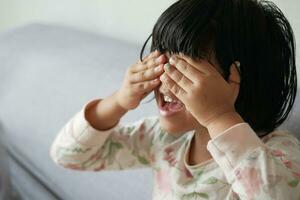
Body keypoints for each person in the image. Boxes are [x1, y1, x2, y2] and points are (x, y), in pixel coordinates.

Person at [50, 0, 300, 199]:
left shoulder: (277, 152)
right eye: (161, 58)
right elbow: (68, 155)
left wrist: (219, 117)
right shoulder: (163, 140)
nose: (165, 77)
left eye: (183, 67)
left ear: (235, 78)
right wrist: (119, 101)